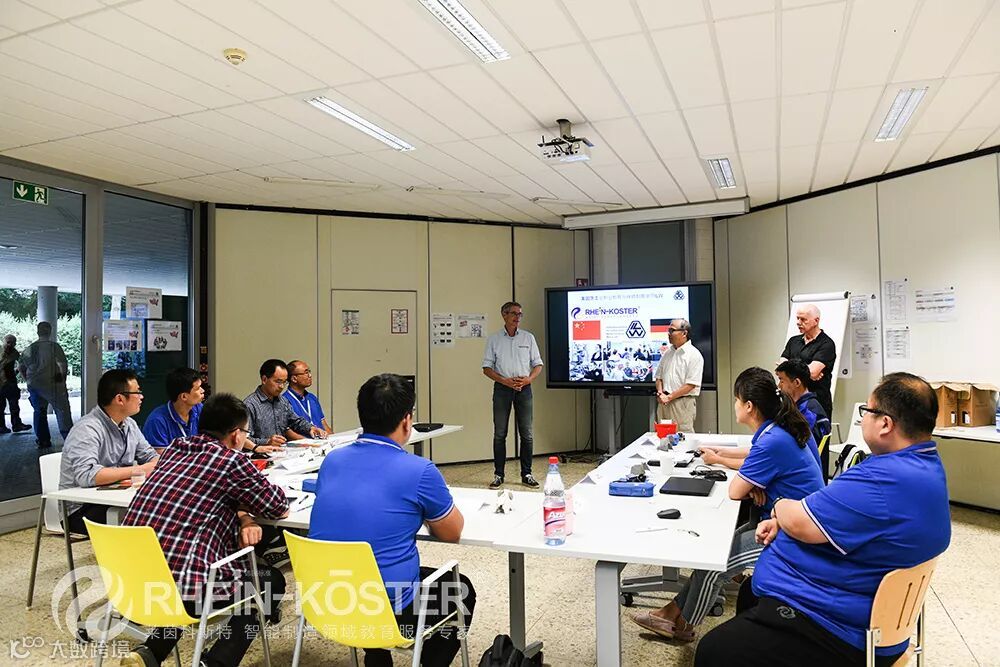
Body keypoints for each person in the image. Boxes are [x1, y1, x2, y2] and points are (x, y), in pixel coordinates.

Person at [695, 373, 951, 667]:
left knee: (713, 651)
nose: (863, 419)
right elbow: (825, 514)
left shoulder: (881, 480)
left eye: (866, 411)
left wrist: (779, 505)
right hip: (856, 609)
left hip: (836, 627)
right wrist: (785, 519)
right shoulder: (925, 468)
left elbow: (800, 521)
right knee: (748, 596)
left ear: (885, 424)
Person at [632, 367, 824, 643]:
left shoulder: (773, 440)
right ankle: (670, 612)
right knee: (715, 549)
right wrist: (753, 481)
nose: (734, 405)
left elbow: (735, 491)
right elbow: (753, 465)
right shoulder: (775, 431)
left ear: (749, 406)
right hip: (780, 519)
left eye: (736, 399)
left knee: (715, 565)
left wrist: (752, 483)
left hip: (791, 534)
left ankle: (684, 626)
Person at [309, 373, 477, 667]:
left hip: (327, 601)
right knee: (460, 589)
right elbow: (452, 532)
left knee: (369, 570)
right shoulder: (419, 470)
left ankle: (376, 658)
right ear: (407, 421)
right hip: (388, 610)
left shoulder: (332, 461)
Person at [120, 393, 290, 667]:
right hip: (185, 589)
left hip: (132, 581)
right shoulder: (231, 462)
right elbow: (277, 505)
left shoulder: (175, 449)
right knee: (268, 582)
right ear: (236, 435)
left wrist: (243, 514)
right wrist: (246, 511)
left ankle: (148, 654)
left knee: (182, 570)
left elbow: (207, 494)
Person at [58, 369, 158, 534]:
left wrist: (152, 465)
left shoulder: (129, 424)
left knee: (163, 505)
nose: (141, 397)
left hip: (116, 498)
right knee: (151, 514)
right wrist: (139, 470)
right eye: (137, 392)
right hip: (81, 509)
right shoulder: (87, 429)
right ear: (120, 399)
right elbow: (87, 475)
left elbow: (150, 456)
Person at [482, 301, 543, 489]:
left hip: (524, 388)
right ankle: (499, 475)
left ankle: (527, 474)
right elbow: (486, 368)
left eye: (520, 314)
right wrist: (504, 381)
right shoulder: (494, 339)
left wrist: (529, 379)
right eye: (514, 313)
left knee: (527, 433)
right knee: (500, 433)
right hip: (503, 388)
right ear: (504, 315)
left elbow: (538, 364)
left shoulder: (528, 338)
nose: (517, 317)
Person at [243, 358, 323, 454]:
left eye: (284, 382)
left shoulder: (282, 401)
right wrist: (267, 442)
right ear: (264, 379)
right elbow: (243, 439)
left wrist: (310, 428)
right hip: (260, 456)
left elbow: (295, 421)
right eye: (278, 381)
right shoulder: (250, 405)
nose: (281, 386)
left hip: (282, 452)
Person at [19, 321, 73, 448]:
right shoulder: (54, 347)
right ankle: (69, 440)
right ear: (50, 332)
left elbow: (21, 367)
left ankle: (43, 440)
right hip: (53, 384)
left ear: (38, 332)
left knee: (39, 411)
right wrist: (62, 380)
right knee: (62, 411)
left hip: (35, 384)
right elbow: (62, 365)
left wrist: (28, 380)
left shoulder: (30, 348)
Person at [780, 304, 837, 418]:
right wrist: (807, 371)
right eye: (797, 318)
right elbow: (781, 368)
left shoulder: (827, 344)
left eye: (803, 319)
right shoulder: (793, 341)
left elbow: (813, 372)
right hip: (792, 402)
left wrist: (795, 370)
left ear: (816, 321)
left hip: (816, 404)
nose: (798, 322)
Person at [653, 318, 705, 433]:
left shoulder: (694, 355)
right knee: (663, 436)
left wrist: (669, 397)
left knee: (683, 437)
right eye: (668, 330)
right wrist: (661, 393)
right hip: (664, 402)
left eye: (672, 330)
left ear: (684, 333)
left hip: (682, 403)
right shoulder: (667, 353)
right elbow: (659, 377)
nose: (668, 334)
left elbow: (691, 384)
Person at [777, 359, 831, 460]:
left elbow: (801, 447)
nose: (779, 386)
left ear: (797, 382)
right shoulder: (799, 407)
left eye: (782, 381)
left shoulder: (809, 412)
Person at [141, 367, 205, 447]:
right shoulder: (157, 421)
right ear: (184, 396)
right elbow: (159, 454)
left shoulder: (199, 409)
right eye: (198, 388)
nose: (202, 391)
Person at [283, 359, 332, 434]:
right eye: (306, 372)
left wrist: (335, 438)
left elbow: (324, 424)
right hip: (304, 440)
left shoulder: (312, 398)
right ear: (294, 379)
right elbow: (288, 432)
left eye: (309, 371)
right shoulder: (284, 401)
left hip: (322, 439)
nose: (310, 375)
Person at [0, 334, 31, 434]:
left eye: (12, 343)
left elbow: (21, 364)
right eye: (8, 342)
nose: (10, 344)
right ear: (4, 342)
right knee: (0, 406)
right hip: (1, 384)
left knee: (14, 406)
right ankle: (1, 427)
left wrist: (16, 372)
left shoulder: (15, 353)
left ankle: (17, 425)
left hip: (11, 383)